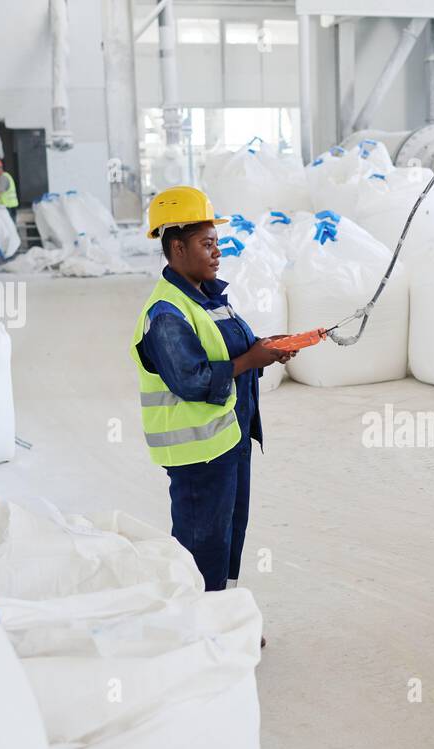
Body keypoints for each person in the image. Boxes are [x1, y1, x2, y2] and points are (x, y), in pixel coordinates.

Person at [132, 186, 297, 646]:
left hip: (229, 439)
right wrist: (252, 360)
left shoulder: (208, 297)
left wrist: (267, 346)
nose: (217, 252)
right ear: (176, 246)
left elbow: (232, 347)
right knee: (200, 540)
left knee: (227, 534)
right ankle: (196, 631)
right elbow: (193, 379)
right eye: (207, 244)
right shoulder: (165, 313)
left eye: (216, 242)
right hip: (198, 451)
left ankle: (222, 617)